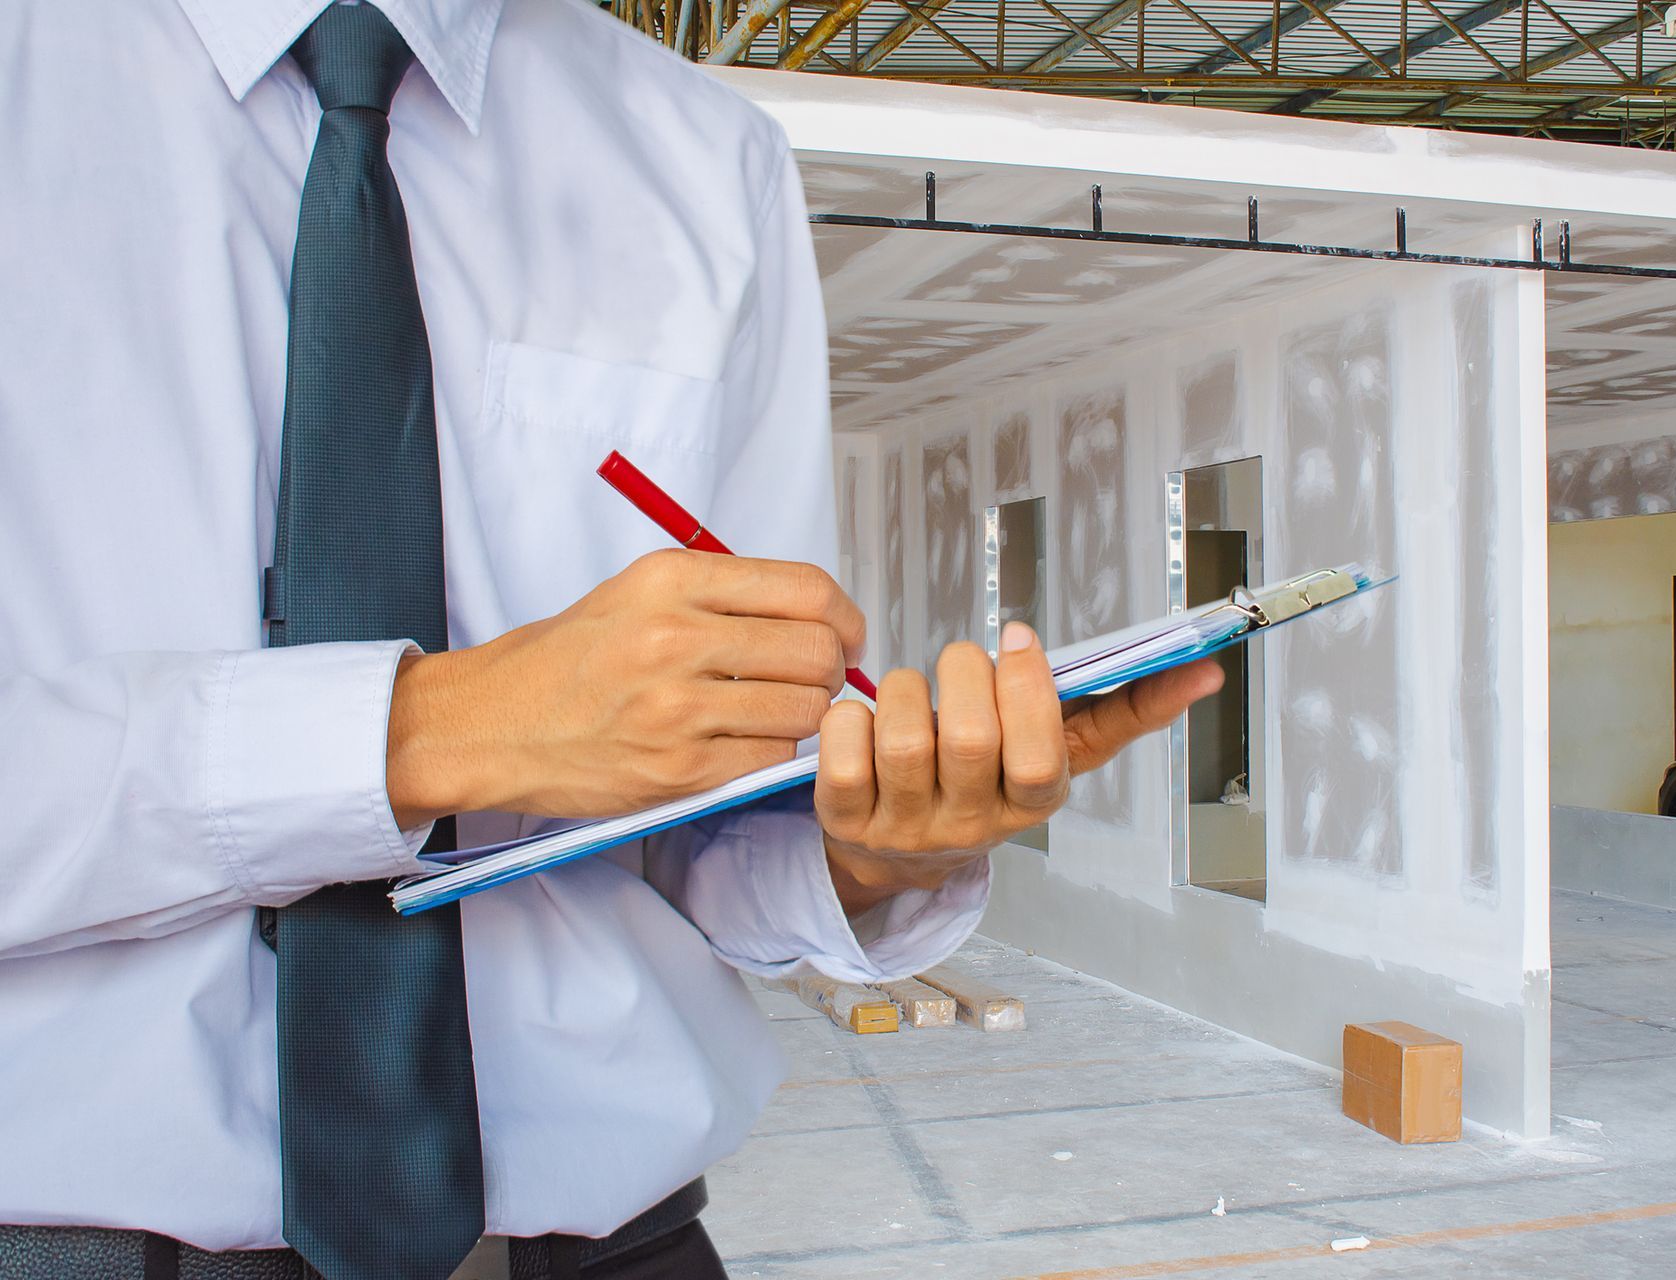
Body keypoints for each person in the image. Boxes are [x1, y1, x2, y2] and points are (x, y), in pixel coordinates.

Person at [0, 1, 1223, 1277]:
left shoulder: (702, 153)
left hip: (617, 1247)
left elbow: (702, 835)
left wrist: (863, 852)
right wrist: (433, 727)